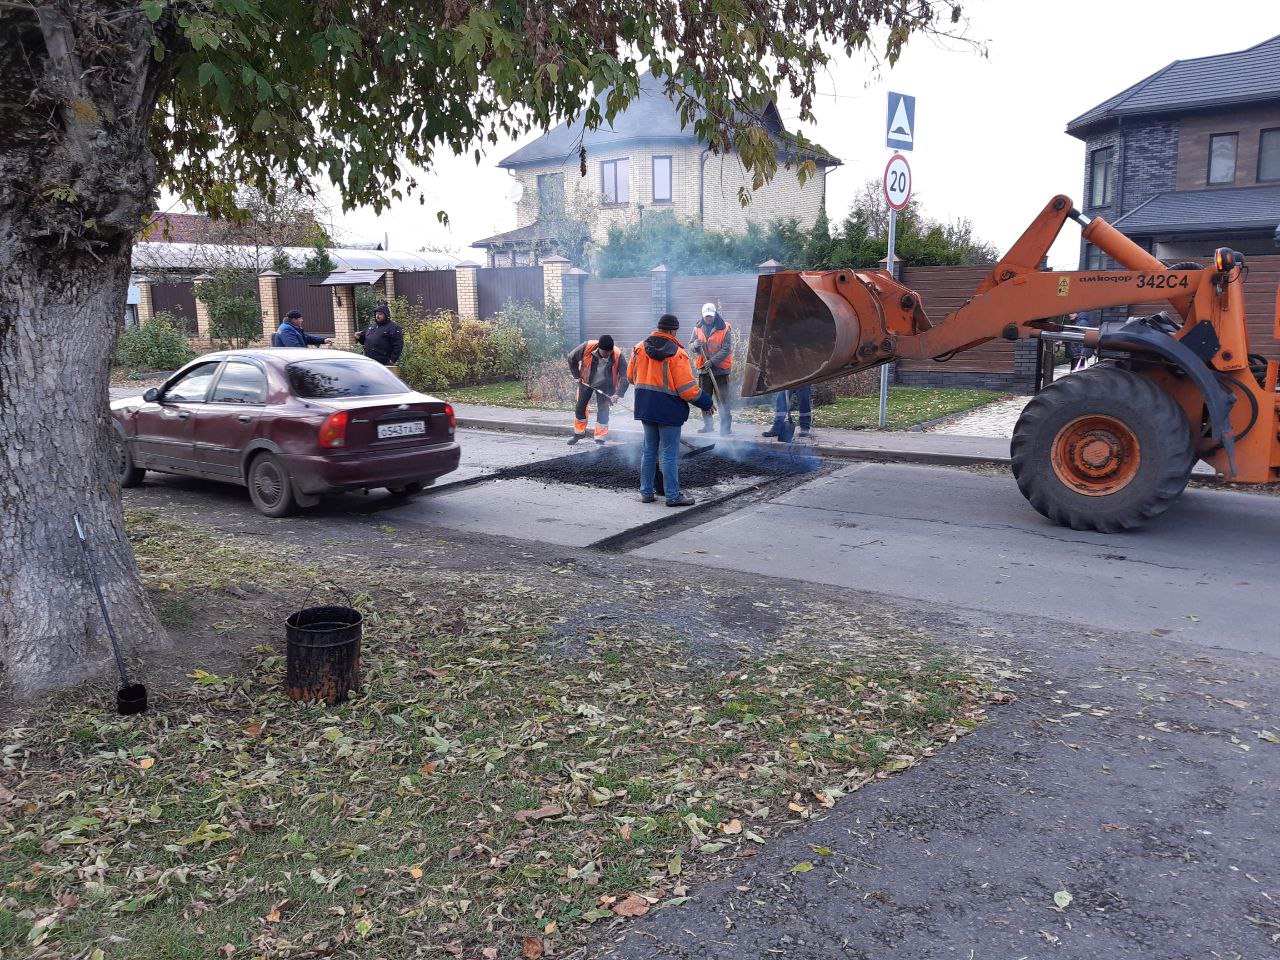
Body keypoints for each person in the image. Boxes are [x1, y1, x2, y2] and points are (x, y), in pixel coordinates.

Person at [628, 314, 713, 507]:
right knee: (668, 453)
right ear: (673, 331)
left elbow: (631, 377)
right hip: (668, 410)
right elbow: (687, 389)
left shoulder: (639, 348)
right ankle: (673, 496)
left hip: (646, 407)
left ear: (659, 328)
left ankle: (646, 493)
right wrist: (706, 402)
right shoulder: (678, 354)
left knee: (649, 450)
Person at [566, 334, 628, 445]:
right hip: (586, 382)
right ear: (599, 348)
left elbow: (625, 376)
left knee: (604, 410)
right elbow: (571, 358)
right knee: (580, 407)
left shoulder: (618, 354)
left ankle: (600, 438)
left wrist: (618, 393)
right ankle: (579, 434)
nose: (607, 354)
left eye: (609, 352)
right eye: (605, 352)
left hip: (606, 385)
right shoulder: (587, 347)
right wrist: (576, 376)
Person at [690, 302, 733, 436]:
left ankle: (726, 427)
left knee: (723, 398)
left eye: (711, 316)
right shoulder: (697, 328)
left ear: (715, 315)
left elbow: (726, 348)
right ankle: (708, 425)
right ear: (703, 316)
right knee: (705, 399)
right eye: (706, 316)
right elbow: (691, 346)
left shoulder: (724, 328)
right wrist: (695, 345)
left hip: (720, 370)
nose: (709, 318)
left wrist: (713, 362)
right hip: (704, 370)